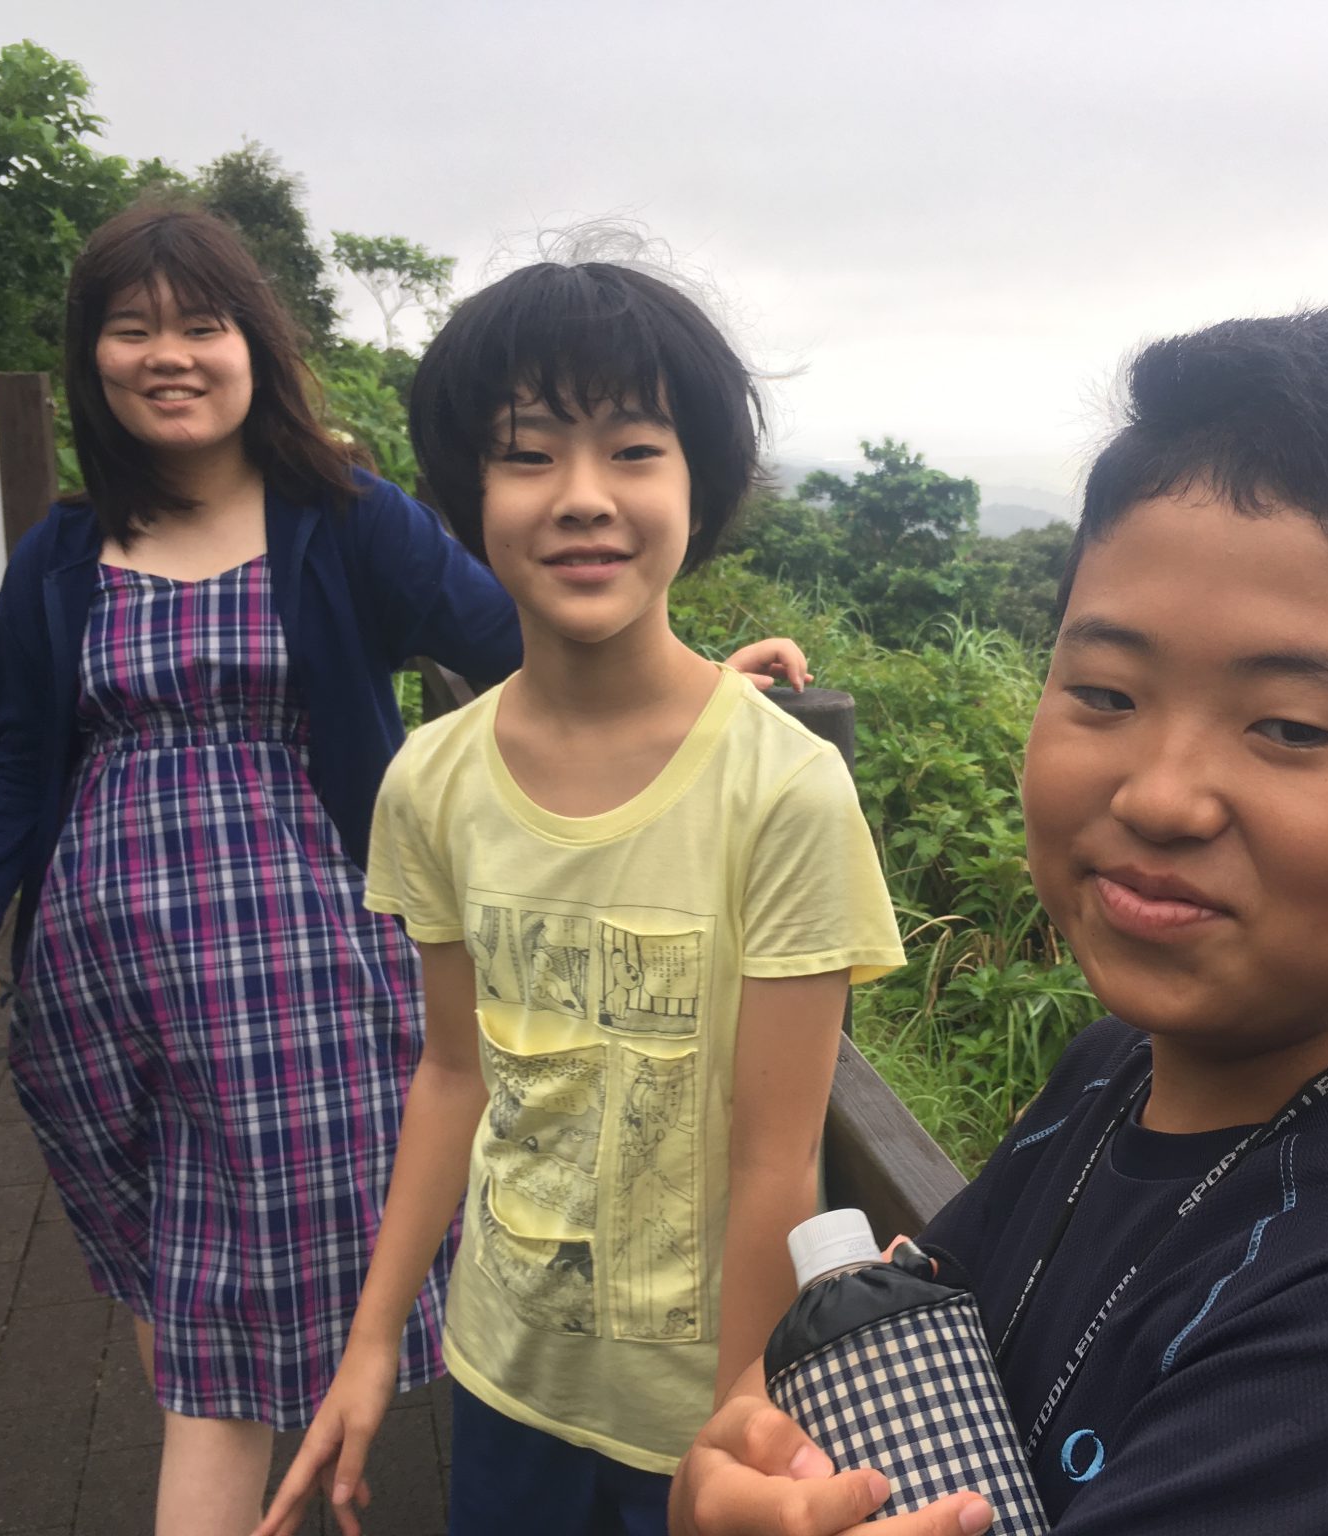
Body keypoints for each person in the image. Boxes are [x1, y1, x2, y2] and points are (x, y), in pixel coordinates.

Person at [0, 203, 805, 1536]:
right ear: (92, 360)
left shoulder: (342, 517)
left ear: (255, 346)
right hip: (103, 987)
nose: (168, 355)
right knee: (172, 1273)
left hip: (294, 979)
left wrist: (702, 687)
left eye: (202, 325)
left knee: (229, 1293)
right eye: (131, 330)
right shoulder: (64, 555)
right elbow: (16, 759)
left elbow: (527, 632)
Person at [668, 308, 1328, 1536]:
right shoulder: (1115, 1072)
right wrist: (745, 1474)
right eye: (1105, 692)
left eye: (1289, 727)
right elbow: (860, 1365)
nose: (1159, 796)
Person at [255, 258, 906, 1536]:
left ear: (698, 486)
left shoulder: (780, 790)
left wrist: (735, 1427)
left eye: (634, 450)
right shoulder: (432, 778)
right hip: (503, 1378)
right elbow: (453, 1074)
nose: (584, 497)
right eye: (528, 454)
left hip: (700, 1420)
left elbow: (775, 1153)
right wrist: (374, 1340)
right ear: (470, 494)